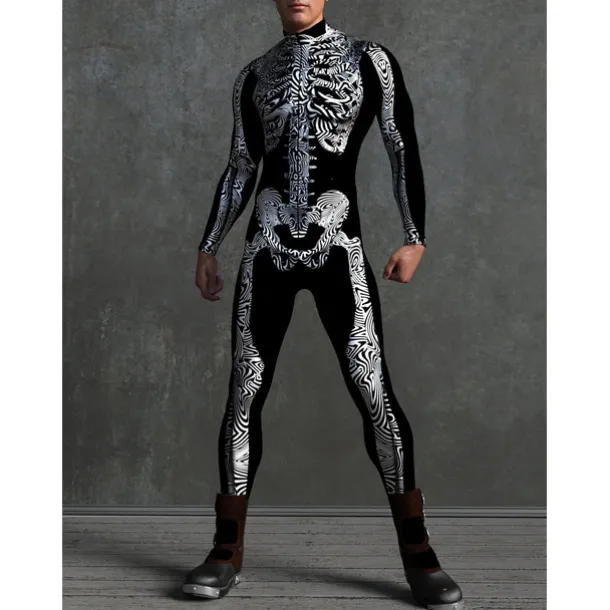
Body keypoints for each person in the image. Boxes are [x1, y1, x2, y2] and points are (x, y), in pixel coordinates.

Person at [183, 1, 464, 608]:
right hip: (265, 245)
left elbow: (400, 145)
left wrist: (414, 236)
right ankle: (225, 548)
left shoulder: (369, 60)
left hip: (339, 244)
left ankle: (419, 552)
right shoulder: (254, 75)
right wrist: (209, 245)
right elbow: (240, 166)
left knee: (373, 389)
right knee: (244, 391)